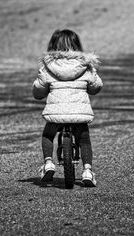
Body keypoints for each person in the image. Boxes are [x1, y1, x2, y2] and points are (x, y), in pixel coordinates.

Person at [32, 29, 103, 187]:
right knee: (84, 138)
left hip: (56, 113)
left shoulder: (48, 66)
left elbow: (38, 91)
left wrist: (39, 89)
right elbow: (96, 87)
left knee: (48, 134)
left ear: (52, 46)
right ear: (77, 45)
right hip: (79, 114)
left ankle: (48, 163)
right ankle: (87, 171)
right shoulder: (85, 65)